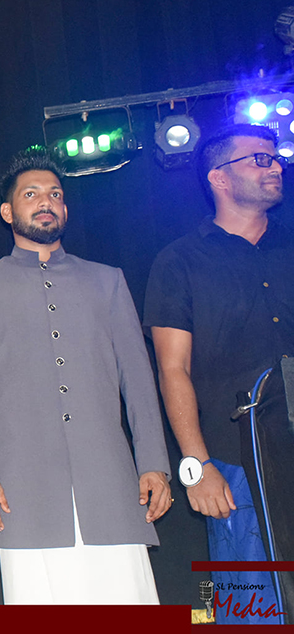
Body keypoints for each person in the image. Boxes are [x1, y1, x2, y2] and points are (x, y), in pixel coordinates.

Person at [0, 149, 171, 604]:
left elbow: (138, 381)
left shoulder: (107, 281)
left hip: (110, 480)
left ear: (65, 209)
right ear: (8, 212)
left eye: (54, 194)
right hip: (22, 486)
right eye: (31, 194)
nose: (45, 202)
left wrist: (153, 462)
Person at [144, 123, 294, 621]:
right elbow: (173, 370)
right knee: (246, 606)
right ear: (219, 177)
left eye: (276, 158)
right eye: (259, 158)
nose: (275, 167)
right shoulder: (179, 262)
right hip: (234, 463)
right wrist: (197, 466)